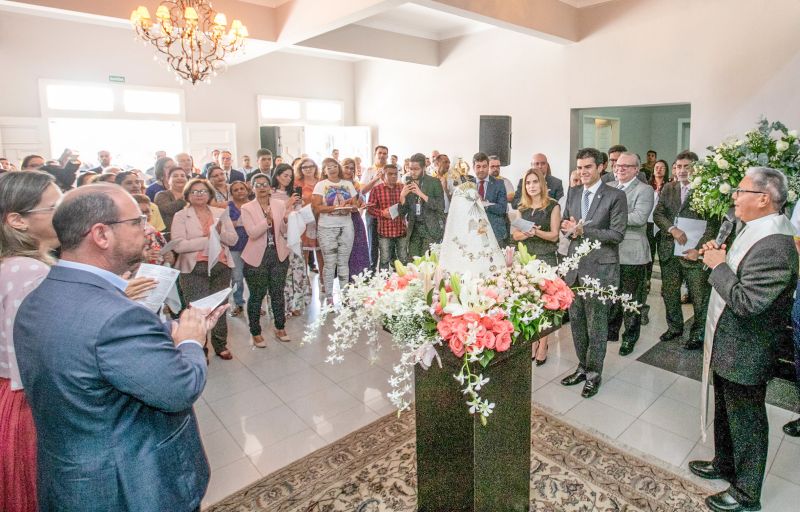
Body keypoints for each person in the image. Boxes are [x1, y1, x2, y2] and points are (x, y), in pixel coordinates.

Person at [14, 183, 218, 512]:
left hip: (72, 480)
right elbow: (180, 387)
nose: (147, 229)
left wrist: (161, 333)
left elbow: (88, 356)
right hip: (130, 487)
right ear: (101, 234)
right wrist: (191, 339)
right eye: (136, 222)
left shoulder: (40, 297)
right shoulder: (118, 317)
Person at [690, 167, 798, 512]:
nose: (734, 197)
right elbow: (736, 275)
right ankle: (724, 463)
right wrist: (715, 259)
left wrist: (718, 266)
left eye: (741, 191)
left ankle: (747, 493)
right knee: (725, 410)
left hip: (748, 347)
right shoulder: (754, 229)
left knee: (747, 421)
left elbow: (748, 302)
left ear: (764, 199)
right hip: (730, 341)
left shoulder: (776, 245)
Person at [0, 171, 61, 512]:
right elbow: (40, 352)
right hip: (29, 400)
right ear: (17, 220)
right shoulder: (28, 272)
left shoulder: (17, 265)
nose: (64, 213)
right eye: (54, 207)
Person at [560, 147, 627, 398]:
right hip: (575, 270)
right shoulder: (574, 191)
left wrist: (582, 231)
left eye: (588, 166)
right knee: (576, 323)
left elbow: (617, 235)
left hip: (600, 270)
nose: (583, 171)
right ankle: (582, 366)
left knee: (596, 326)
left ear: (601, 167)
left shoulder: (615, 196)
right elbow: (568, 223)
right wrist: (568, 228)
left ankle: (594, 374)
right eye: (579, 167)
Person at [653, 150, 719, 350]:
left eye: (686, 167)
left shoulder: (707, 191)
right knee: (670, 293)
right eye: (678, 166)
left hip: (694, 255)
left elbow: (712, 226)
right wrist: (672, 229)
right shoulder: (669, 188)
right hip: (669, 250)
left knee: (699, 297)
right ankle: (675, 327)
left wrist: (698, 251)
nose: (681, 170)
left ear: (695, 169)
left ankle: (698, 334)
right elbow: (659, 214)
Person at [171, 178, 238, 360]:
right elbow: (178, 245)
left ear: (209, 194)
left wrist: (220, 233)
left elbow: (233, 239)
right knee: (197, 311)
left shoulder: (220, 212)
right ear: (187, 195)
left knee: (219, 307)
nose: (199, 195)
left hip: (221, 265)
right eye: (194, 192)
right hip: (193, 268)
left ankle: (220, 344)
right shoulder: (181, 216)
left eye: (203, 191)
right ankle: (200, 348)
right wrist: (207, 239)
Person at [606, 152, 654, 356]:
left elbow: (639, 217)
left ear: (636, 169)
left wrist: (611, 216)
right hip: (610, 251)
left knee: (631, 299)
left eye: (626, 166)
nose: (620, 168)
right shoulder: (610, 187)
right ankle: (613, 330)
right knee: (613, 295)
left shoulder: (644, 190)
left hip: (632, 253)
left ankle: (630, 337)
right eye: (617, 165)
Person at [511, 167, 560, 365]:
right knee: (529, 302)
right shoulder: (521, 208)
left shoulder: (552, 206)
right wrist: (527, 233)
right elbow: (514, 235)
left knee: (545, 304)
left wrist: (536, 232)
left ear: (542, 183)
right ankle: (532, 341)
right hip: (526, 259)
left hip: (546, 258)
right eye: (528, 183)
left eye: (534, 182)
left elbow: (554, 235)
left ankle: (543, 344)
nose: (531, 186)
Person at [241, 173, 292, 346]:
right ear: (252, 187)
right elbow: (252, 233)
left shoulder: (279, 204)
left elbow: (284, 231)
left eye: (265, 184)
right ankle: (255, 331)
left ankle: (280, 326)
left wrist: (285, 220)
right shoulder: (247, 208)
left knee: (277, 292)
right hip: (256, 257)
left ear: (270, 187)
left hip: (278, 253)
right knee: (257, 295)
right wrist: (267, 221)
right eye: (258, 184)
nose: (262, 188)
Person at [312, 158, 360, 302]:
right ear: (324, 171)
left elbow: (356, 203)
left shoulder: (347, 184)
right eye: (328, 167)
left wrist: (351, 204)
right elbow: (317, 207)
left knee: (344, 262)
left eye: (334, 166)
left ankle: (345, 296)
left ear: (338, 167)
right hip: (327, 227)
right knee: (330, 262)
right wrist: (334, 208)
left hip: (346, 225)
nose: (332, 169)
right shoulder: (321, 185)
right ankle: (329, 297)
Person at [271, 164, 310, 317]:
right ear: (277, 176)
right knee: (283, 271)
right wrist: (287, 205)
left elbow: (299, 212)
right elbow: (272, 214)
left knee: (297, 269)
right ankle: (283, 304)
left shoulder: (293, 193)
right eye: (285, 175)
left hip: (294, 234)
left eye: (290, 176)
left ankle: (297, 303)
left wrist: (301, 208)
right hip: (278, 236)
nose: (288, 178)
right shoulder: (271, 193)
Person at [398, 153, 446, 258]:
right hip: (414, 229)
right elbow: (402, 213)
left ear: (424, 167)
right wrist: (402, 197)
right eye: (410, 168)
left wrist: (421, 194)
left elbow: (440, 206)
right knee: (413, 263)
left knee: (428, 264)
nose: (412, 172)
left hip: (430, 229)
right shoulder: (408, 183)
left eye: (416, 169)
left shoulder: (434, 182)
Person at [367, 164, 408, 268]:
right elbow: (370, 209)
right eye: (390, 174)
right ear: (382, 176)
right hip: (385, 232)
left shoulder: (402, 188)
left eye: (395, 174)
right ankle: (384, 282)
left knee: (403, 259)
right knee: (384, 260)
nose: (394, 176)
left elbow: (409, 206)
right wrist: (382, 213)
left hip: (401, 230)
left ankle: (402, 282)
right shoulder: (376, 190)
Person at [360, 145, 390, 270]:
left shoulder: (390, 170)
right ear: (375, 154)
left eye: (384, 153)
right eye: (380, 153)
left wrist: (385, 180)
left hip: (387, 211)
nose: (382, 155)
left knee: (386, 241)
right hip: (372, 210)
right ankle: (371, 270)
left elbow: (395, 188)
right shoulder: (369, 170)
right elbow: (362, 190)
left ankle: (385, 270)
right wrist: (375, 179)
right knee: (372, 241)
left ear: (387, 155)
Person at [472, 152, 509, 247]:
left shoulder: (499, 184)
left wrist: (484, 204)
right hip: (473, 233)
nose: (481, 170)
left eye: (484, 166)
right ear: (473, 168)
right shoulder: (468, 185)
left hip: (495, 232)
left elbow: (502, 209)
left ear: (488, 167)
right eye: (478, 166)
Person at [342, 158, 370, 279]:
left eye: (352, 168)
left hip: (354, 217)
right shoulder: (335, 183)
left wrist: (361, 203)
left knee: (358, 247)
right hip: (341, 218)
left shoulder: (355, 184)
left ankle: (359, 276)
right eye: (346, 167)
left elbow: (359, 202)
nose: (349, 170)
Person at [296, 157, 323, 278]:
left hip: (320, 219)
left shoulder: (321, 182)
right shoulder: (297, 183)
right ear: (300, 169)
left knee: (321, 251)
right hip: (304, 220)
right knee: (304, 252)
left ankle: (323, 280)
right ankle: (305, 283)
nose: (308, 169)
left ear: (315, 168)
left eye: (310, 166)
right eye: (304, 167)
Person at [227, 181, 250, 316]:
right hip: (234, 246)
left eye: (242, 188)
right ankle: (238, 303)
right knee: (237, 277)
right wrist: (237, 223)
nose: (240, 191)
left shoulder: (254, 204)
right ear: (232, 194)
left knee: (254, 276)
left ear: (247, 190)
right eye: (236, 190)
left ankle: (256, 303)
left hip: (252, 245)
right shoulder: (229, 207)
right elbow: (225, 225)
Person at [132, 194, 175, 267]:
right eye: (141, 212)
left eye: (147, 211)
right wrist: (144, 259)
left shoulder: (155, 234)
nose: (145, 215)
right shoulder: (125, 236)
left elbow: (169, 259)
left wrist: (170, 258)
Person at [154, 166, 188, 239]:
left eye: (183, 176)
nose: (180, 178)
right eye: (175, 176)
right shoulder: (162, 195)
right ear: (168, 180)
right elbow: (169, 209)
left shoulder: (192, 195)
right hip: (170, 236)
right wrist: (185, 198)